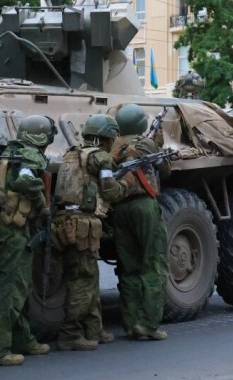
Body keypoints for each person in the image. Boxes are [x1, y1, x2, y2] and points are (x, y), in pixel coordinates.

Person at [0, 115, 52, 367]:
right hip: (14, 229)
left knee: (17, 284)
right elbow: (26, 181)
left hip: (4, 226)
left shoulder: (10, 151)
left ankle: (22, 339)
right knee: (11, 287)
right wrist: (42, 207)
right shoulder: (27, 156)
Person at [53, 115, 126, 351]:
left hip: (66, 221)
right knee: (82, 280)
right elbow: (109, 190)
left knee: (90, 277)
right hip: (82, 223)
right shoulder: (101, 158)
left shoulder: (71, 153)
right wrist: (126, 185)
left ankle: (94, 329)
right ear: (106, 138)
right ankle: (70, 334)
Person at [109, 104, 169, 341]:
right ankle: (148, 324)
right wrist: (158, 144)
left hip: (120, 208)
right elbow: (165, 170)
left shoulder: (113, 145)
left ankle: (131, 322)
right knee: (154, 265)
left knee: (129, 267)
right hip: (144, 205)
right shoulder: (146, 144)